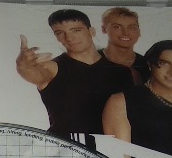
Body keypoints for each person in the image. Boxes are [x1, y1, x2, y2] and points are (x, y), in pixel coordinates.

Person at [16, 9, 122, 139]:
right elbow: (32, 73)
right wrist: (23, 65)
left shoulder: (122, 72)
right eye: (60, 33)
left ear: (91, 31)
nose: (69, 38)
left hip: (112, 148)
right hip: (66, 147)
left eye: (76, 30)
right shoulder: (52, 68)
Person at [99, 7, 149, 90]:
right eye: (117, 27)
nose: (125, 33)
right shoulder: (91, 61)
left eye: (132, 27)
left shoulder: (148, 65)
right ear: (104, 29)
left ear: (139, 32)